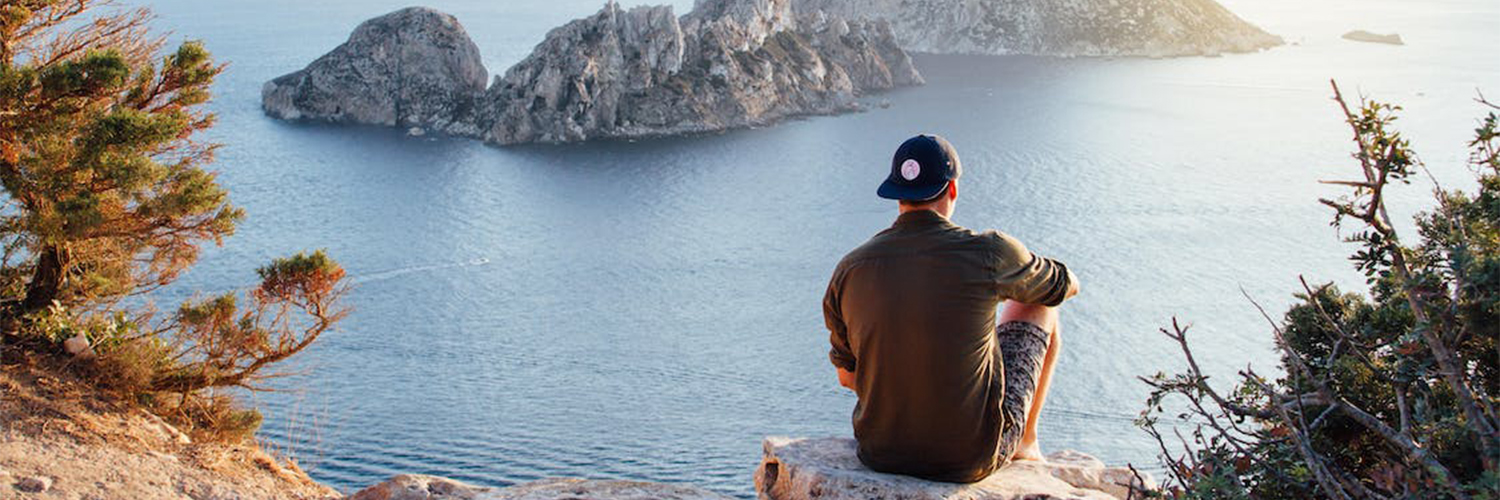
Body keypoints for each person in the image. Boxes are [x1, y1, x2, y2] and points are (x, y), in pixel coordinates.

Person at [822, 134, 1079, 483]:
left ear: (897, 195)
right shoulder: (989, 252)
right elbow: (1062, 286)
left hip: (880, 452)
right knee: (1040, 306)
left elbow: (847, 377)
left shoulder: (850, 269)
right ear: (952, 190)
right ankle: (1026, 442)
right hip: (968, 458)